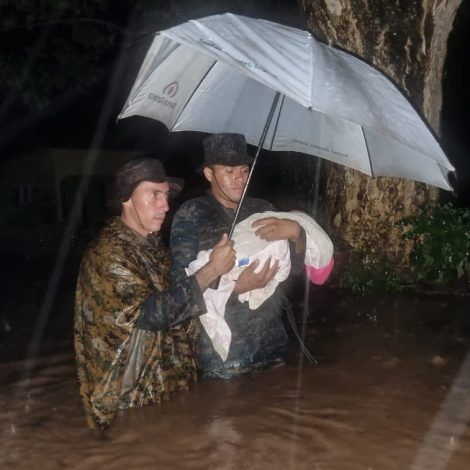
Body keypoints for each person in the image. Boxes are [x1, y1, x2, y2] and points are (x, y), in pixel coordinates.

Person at [74, 157, 236, 431]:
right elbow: (153, 314)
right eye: (154, 195)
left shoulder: (152, 247)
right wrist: (211, 270)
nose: (166, 205)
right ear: (126, 198)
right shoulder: (109, 253)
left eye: (166, 195)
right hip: (130, 402)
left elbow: (181, 302)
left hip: (163, 391)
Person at [170, 133, 306, 379]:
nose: (239, 179)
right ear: (209, 174)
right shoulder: (192, 213)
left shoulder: (262, 209)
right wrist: (235, 286)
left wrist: (297, 235)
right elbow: (180, 285)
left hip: (272, 345)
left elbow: (293, 271)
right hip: (225, 357)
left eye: (244, 171)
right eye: (229, 171)